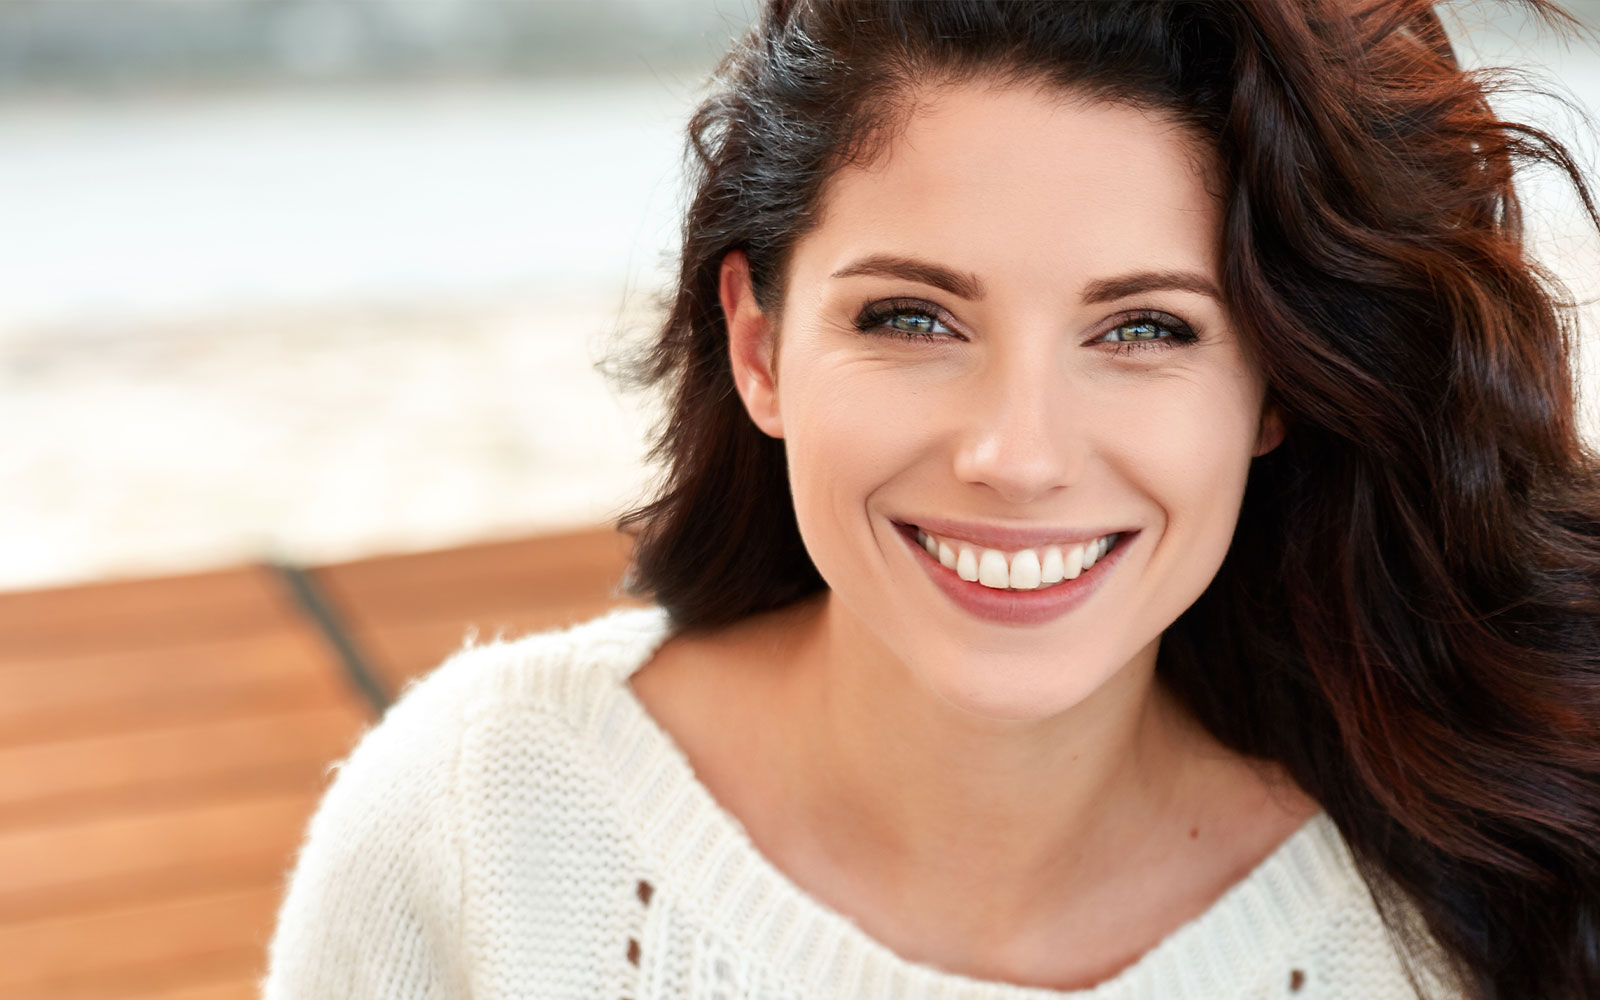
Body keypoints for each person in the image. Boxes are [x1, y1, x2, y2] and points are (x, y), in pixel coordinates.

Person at [261, 1, 1600, 997]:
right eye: (912, 317)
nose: (1017, 455)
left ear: (1273, 390)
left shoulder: (1457, 918)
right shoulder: (475, 824)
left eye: (1144, 330)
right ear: (759, 347)